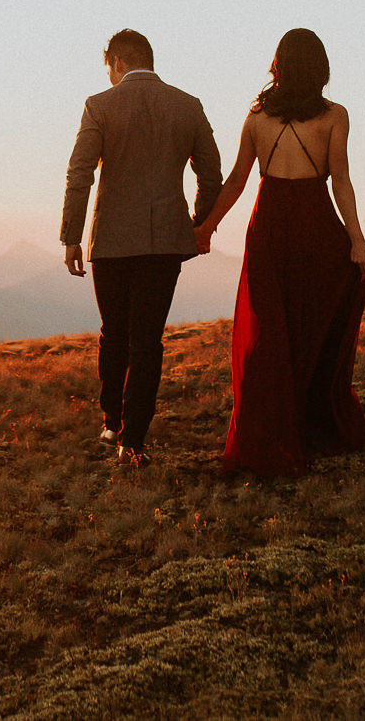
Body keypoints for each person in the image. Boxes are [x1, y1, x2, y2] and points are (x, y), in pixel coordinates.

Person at [195, 27, 365, 476]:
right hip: (315, 225)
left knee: (269, 332)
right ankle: (311, 421)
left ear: (279, 64)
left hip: (269, 227)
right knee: (310, 325)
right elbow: (341, 181)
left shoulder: (257, 118)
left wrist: (207, 227)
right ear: (320, 68)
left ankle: (269, 430)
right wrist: (357, 239)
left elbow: (236, 180)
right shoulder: (335, 116)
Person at [61, 28, 222, 468]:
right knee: (148, 340)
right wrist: (196, 222)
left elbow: (80, 173)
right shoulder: (187, 105)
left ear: (116, 62)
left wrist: (71, 235)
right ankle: (133, 440)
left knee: (114, 332)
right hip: (165, 241)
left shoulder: (99, 105)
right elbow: (211, 174)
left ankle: (112, 419)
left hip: (111, 239)